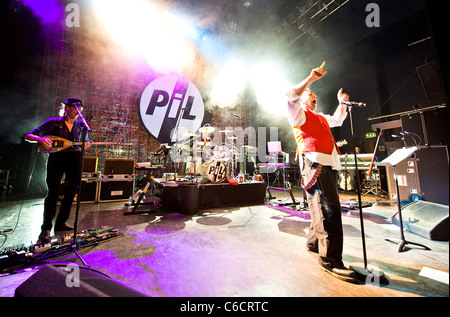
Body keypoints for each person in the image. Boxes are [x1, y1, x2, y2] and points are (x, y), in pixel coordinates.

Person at [287, 61, 357, 283]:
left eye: (316, 96)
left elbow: (338, 119)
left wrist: (342, 103)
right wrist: (309, 80)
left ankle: (314, 243)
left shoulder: (320, 117)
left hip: (328, 164)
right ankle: (330, 259)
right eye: (311, 95)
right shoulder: (298, 114)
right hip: (314, 164)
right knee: (328, 209)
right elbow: (290, 96)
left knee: (320, 205)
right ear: (303, 99)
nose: (314, 98)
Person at [24, 98, 91, 243]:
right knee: (53, 192)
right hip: (57, 158)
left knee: (71, 191)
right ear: (67, 108)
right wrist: (40, 140)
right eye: (76, 107)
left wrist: (86, 145)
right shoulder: (54, 122)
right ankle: (46, 227)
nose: (79, 111)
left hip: (75, 159)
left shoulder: (81, 126)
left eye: (81, 108)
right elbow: (28, 136)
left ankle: (61, 221)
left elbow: (86, 140)